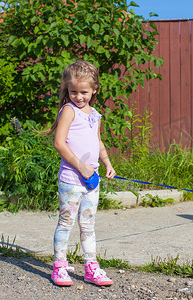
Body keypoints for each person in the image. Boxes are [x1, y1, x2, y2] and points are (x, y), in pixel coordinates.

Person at [46, 61, 116, 286]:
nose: (78, 96)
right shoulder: (68, 111)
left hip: (91, 182)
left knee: (88, 225)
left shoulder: (95, 114)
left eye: (83, 92)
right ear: (67, 89)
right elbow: (59, 143)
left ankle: (91, 267)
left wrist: (107, 163)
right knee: (66, 222)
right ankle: (59, 266)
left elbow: (98, 142)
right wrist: (81, 166)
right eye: (73, 91)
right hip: (71, 180)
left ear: (94, 89)